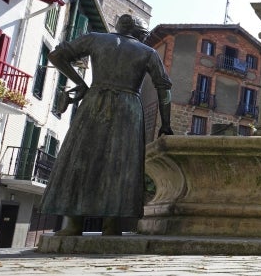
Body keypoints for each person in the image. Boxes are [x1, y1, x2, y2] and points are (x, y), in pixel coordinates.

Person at [40, 14, 173, 236]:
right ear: (140, 33)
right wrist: (166, 124)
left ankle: (73, 225)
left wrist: (81, 83)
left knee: (81, 158)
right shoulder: (147, 51)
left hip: (94, 100)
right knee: (122, 164)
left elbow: (56, 55)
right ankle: (111, 227)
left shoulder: (95, 39)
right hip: (128, 107)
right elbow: (164, 88)